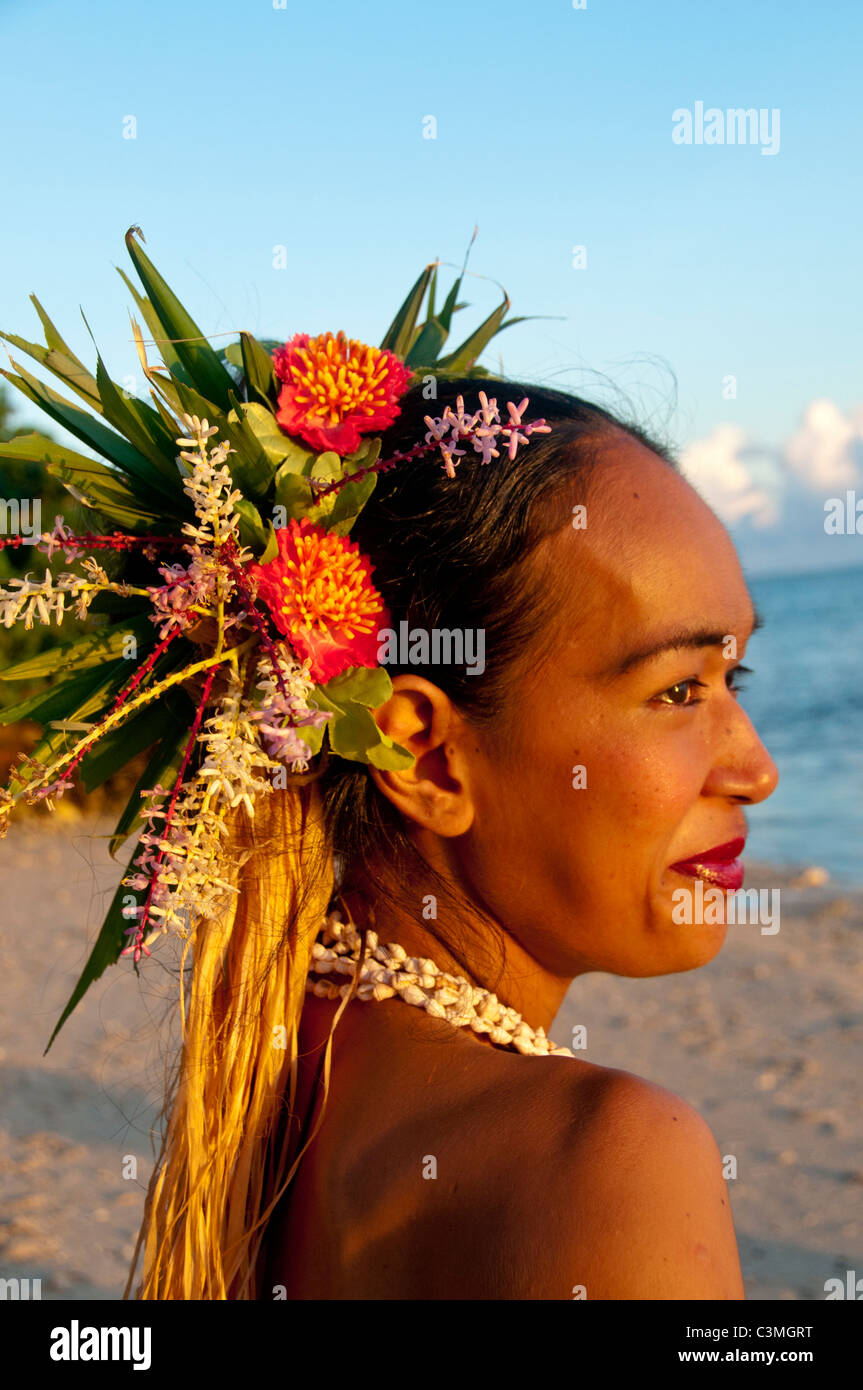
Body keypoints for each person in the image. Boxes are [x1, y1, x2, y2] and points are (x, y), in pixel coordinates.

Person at [131, 375, 778, 1300]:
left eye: (733, 681)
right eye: (677, 691)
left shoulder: (278, 1092)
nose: (755, 771)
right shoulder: (607, 1156)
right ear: (424, 758)